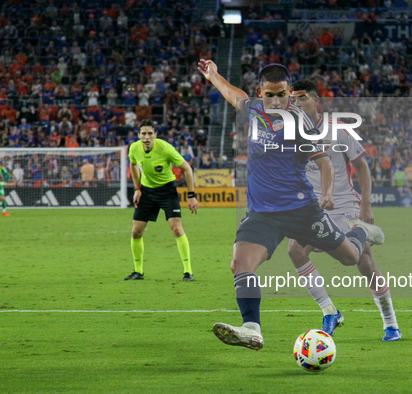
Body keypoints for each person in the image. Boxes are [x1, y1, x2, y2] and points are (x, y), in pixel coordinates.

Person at [198, 59, 385, 350]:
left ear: (289, 92)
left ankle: (362, 231)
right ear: (260, 93)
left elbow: (324, 163)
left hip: (301, 211)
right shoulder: (254, 110)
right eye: (269, 94)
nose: (275, 100)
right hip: (262, 214)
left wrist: (326, 195)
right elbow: (233, 95)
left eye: (281, 94)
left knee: (350, 257)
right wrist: (213, 76)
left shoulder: (300, 121)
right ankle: (252, 329)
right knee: (240, 263)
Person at [287, 79, 401, 341]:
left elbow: (362, 166)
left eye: (303, 97)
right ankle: (330, 311)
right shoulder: (291, 133)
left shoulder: (337, 131)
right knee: (295, 250)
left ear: (317, 102)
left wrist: (366, 204)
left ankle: (390, 323)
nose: (297, 102)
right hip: (312, 208)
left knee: (364, 263)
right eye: (294, 98)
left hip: (344, 205)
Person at [126, 119, 199, 282]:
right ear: (138, 135)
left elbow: (187, 168)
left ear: (155, 135)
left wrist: (191, 195)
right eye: (143, 134)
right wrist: (137, 189)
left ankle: (188, 271)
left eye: (150, 134)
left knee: (176, 229)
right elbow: (133, 165)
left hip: (167, 191)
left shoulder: (166, 148)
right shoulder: (134, 148)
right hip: (146, 192)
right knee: (136, 231)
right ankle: (138, 271)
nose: (146, 137)